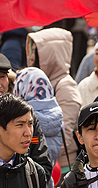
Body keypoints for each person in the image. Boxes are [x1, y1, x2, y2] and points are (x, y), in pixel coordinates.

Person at [27, 28, 82, 174]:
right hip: (41, 162)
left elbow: (65, 135)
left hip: (61, 166)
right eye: (30, 50)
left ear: (49, 55)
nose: (31, 57)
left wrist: (38, 156)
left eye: (36, 51)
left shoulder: (65, 86)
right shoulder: (40, 84)